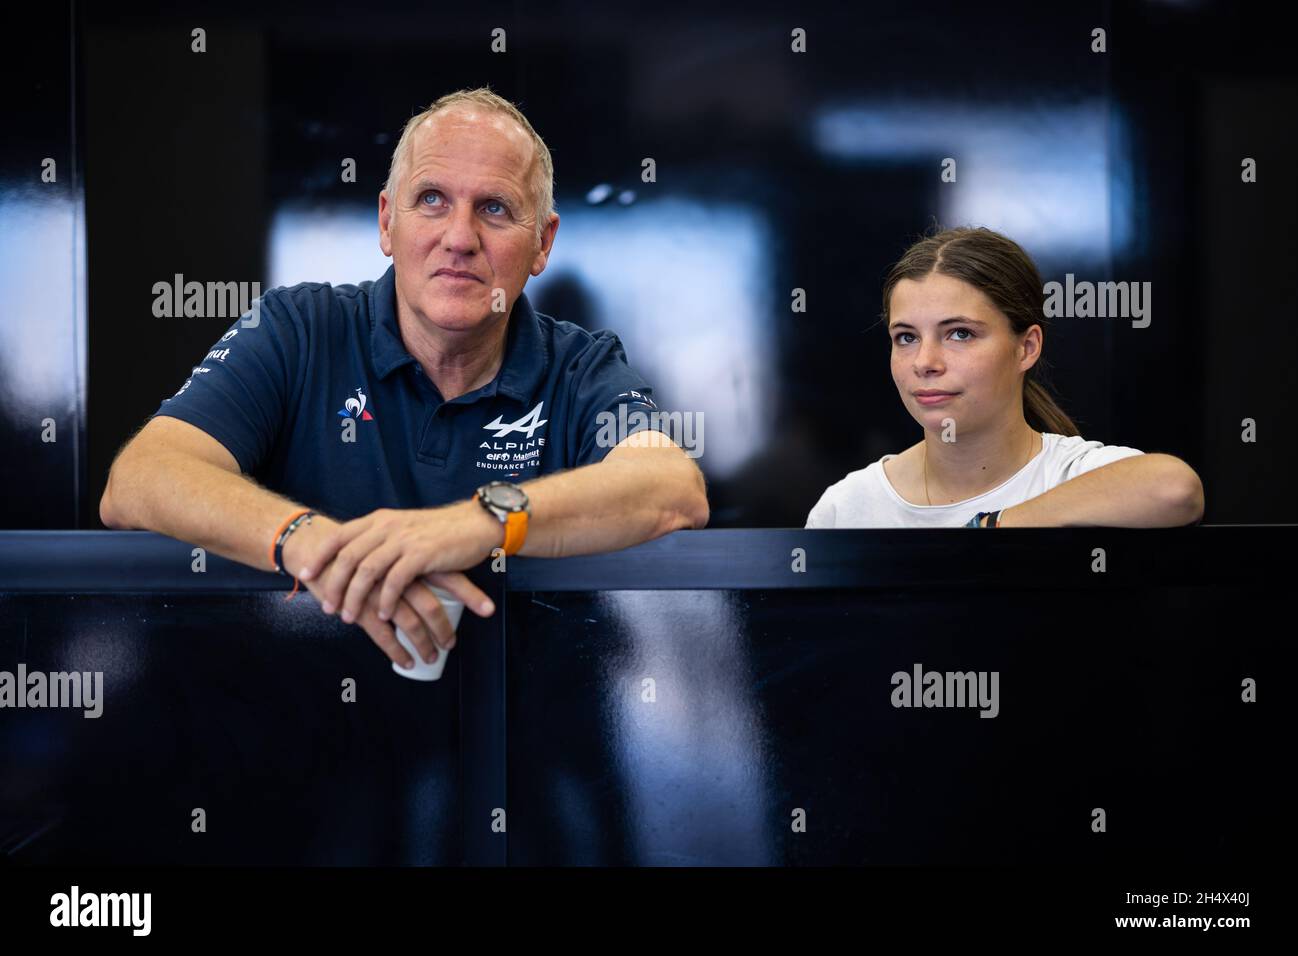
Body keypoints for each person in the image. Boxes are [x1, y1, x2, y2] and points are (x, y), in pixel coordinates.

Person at [101, 88, 708, 670]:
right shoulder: (298, 330)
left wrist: (480, 522)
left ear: (542, 243)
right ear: (387, 223)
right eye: (432, 200)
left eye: (494, 209)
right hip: (302, 731)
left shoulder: (580, 366)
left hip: (517, 742)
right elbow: (139, 479)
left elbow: (672, 486)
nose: (459, 238)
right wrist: (309, 542)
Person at [805, 226, 1203, 529]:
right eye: (906, 337)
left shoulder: (1070, 473)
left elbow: (1176, 489)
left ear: (1026, 348)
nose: (925, 361)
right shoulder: (848, 507)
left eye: (959, 333)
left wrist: (993, 526)